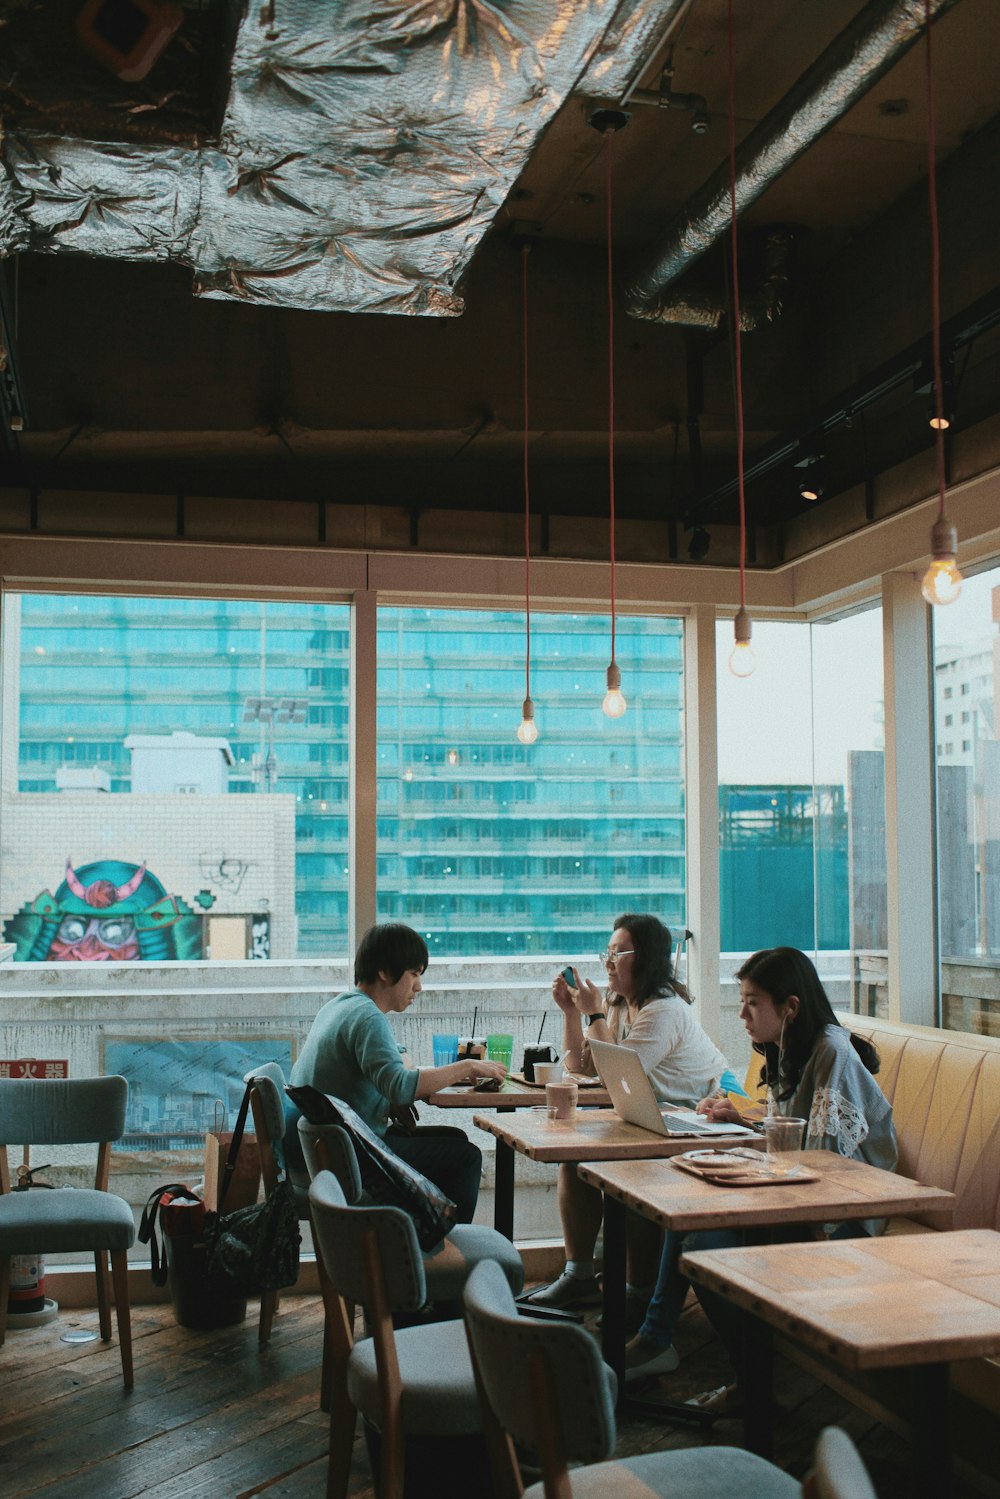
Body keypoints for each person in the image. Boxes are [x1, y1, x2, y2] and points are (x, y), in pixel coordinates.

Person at [624, 946, 898, 1388]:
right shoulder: (787, 1046)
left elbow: (822, 1162)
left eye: (753, 1003)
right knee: (691, 1218)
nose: (742, 1015)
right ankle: (661, 1339)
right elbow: (794, 1141)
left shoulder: (832, 1051)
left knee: (700, 1239)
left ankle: (751, 1383)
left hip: (844, 1215)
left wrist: (750, 1162)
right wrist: (742, 1119)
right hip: (801, 1196)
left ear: (791, 1007)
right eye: (743, 1002)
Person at [522, 913, 731, 1315]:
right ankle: (579, 1275)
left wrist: (594, 1015)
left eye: (619, 953)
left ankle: (639, 1294)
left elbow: (614, 1075)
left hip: (699, 1120)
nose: (608, 961)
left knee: (635, 1175)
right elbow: (580, 1067)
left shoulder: (664, 1010)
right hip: (652, 1119)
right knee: (573, 1161)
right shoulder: (620, 1004)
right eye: (608, 951)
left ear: (647, 958)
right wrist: (572, 1013)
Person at [284, 922, 505, 1222]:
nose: (419, 987)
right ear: (385, 972)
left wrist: (398, 1084)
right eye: (414, 974)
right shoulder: (367, 1018)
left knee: (455, 1139)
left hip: (321, 1149)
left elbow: (397, 1061)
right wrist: (467, 1066)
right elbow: (400, 1085)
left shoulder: (341, 1006)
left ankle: (419, 1237)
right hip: (348, 1158)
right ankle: (448, 1252)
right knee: (466, 1158)